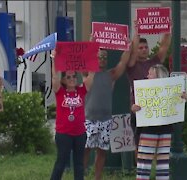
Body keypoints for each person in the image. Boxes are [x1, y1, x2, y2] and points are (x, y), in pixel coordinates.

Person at [131, 64, 187, 180]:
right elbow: (135, 107)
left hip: (164, 129)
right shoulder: (143, 90)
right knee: (144, 163)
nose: (147, 76)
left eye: (150, 74)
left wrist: (182, 98)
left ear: (158, 76)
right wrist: (134, 108)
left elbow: (177, 105)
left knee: (163, 164)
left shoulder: (170, 90)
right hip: (148, 129)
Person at [83, 47, 131, 180]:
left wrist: (128, 46)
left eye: (105, 57)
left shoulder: (111, 75)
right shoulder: (88, 73)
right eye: (99, 57)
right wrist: (92, 41)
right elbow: (86, 56)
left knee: (102, 151)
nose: (102, 59)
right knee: (85, 150)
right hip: (89, 119)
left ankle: (97, 178)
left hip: (105, 120)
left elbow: (123, 62)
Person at [127, 22, 172, 159]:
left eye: (146, 47)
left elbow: (164, 47)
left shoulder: (154, 63)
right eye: (140, 47)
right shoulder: (132, 65)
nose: (144, 49)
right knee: (138, 140)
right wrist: (137, 32)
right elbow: (132, 52)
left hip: (155, 108)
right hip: (138, 108)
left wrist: (168, 29)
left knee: (158, 140)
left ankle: (157, 163)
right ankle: (137, 166)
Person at [49, 50, 95, 180]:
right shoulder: (60, 92)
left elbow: (91, 75)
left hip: (80, 133)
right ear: (63, 79)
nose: (72, 79)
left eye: (74, 76)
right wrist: (54, 59)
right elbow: (54, 77)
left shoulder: (81, 90)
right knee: (61, 162)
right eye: (68, 77)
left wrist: (92, 54)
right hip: (64, 134)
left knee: (79, 164)